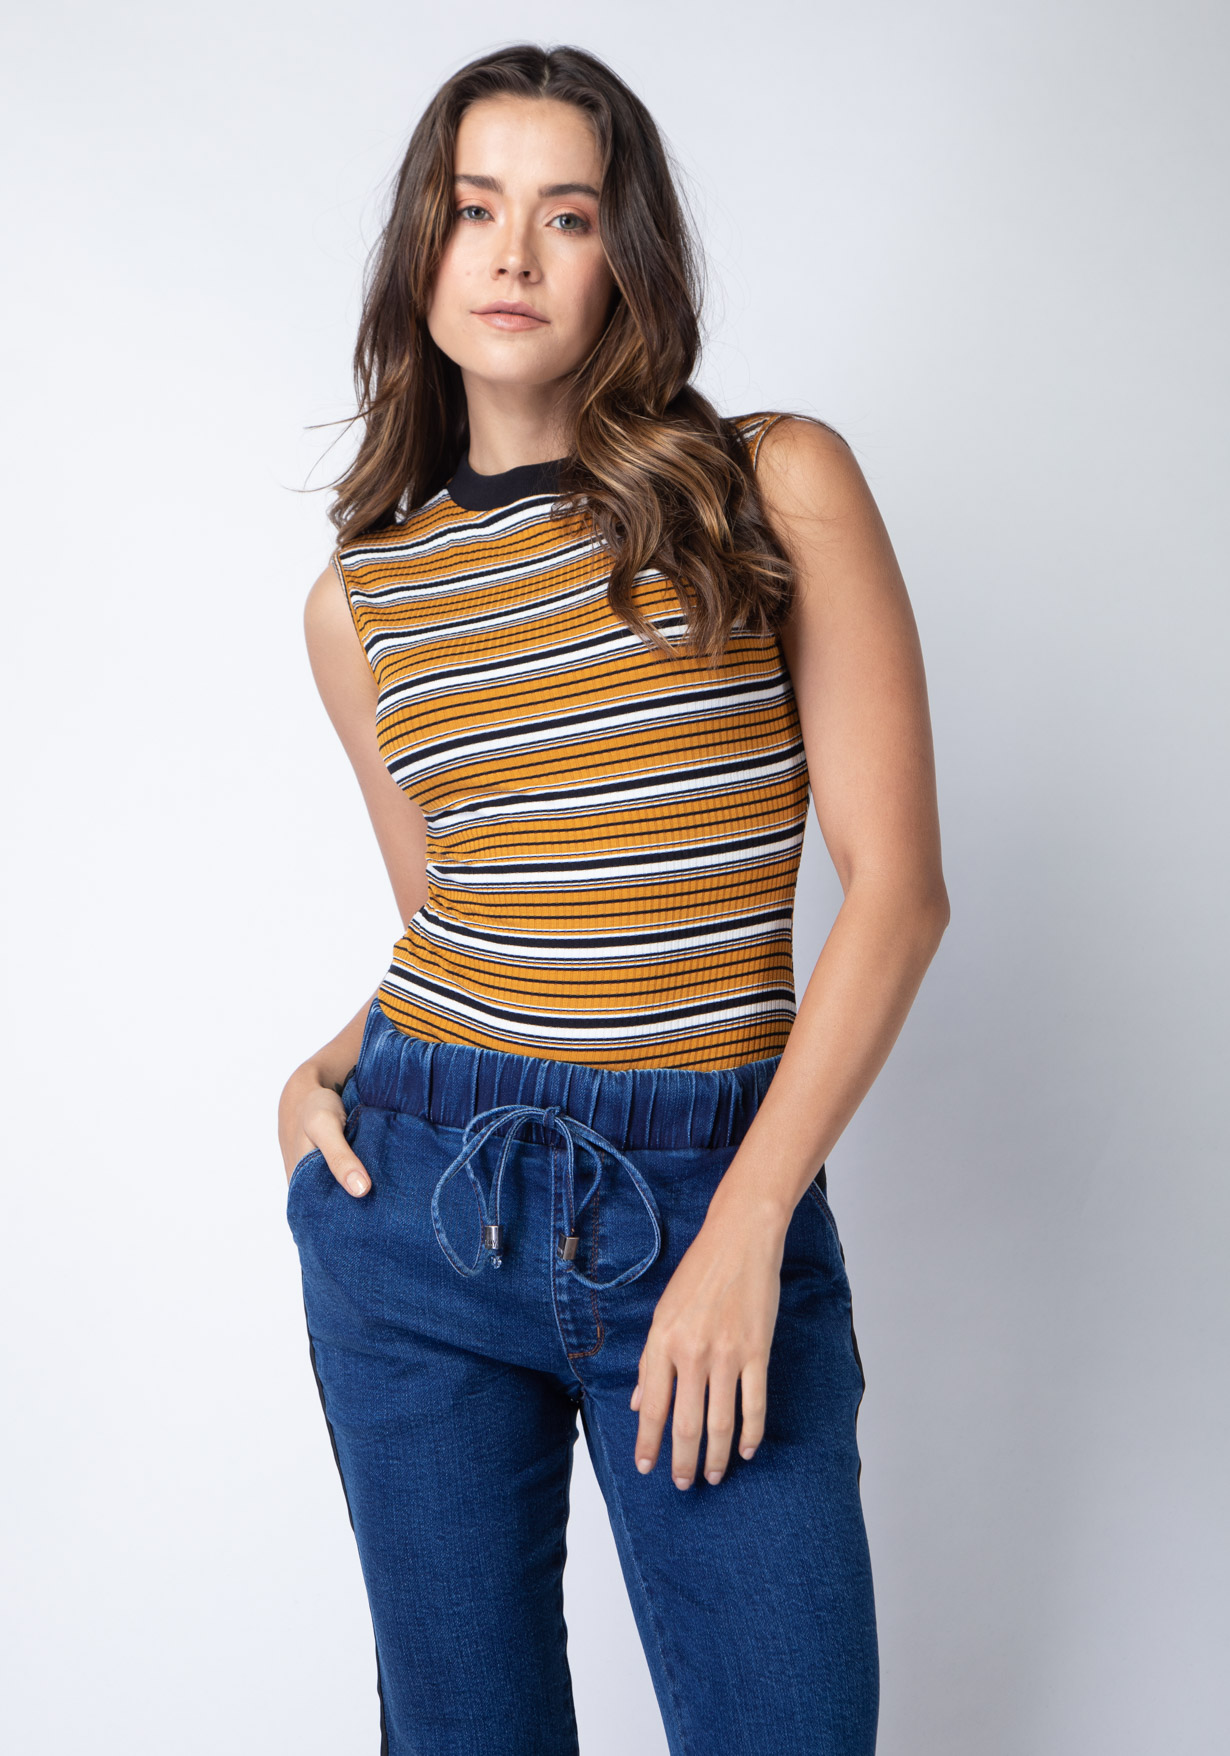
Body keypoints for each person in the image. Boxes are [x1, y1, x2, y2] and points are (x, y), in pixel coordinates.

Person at [278, 41, 948, 1756]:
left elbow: (896, 895)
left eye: (564, 215)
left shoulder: (769, 480)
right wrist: (325, 1069)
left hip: (706, 1188)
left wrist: (747, 1226)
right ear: (420, 247)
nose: (511, 253)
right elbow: (473, 912)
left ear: (620, 257)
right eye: (472, 208)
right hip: (416, 1202)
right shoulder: (363, 602)